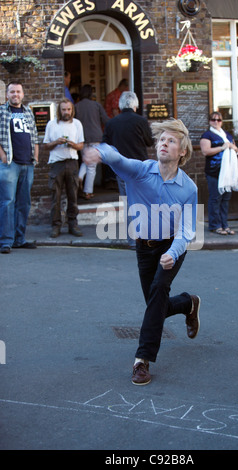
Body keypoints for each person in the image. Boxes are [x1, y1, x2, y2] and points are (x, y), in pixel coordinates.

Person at [87, 118, 200, 385]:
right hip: (143, 247)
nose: (164, 143)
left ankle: (142, 360)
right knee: (155, 303)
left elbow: (187, 230)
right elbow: (118, 159)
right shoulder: (141, 171)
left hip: (171, 246)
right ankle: (188, 303)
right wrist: (101, 152)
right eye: (161, 139)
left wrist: (173, 252)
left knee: (159, 290)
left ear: (182, 151)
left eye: (171, 140)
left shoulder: (189, 189)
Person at [102, 91, 154, 247]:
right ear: (135, 106)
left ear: (119, 106)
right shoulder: (141, 121)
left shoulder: (112, 123)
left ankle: (133, 240)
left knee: (128, 203)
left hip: (122, 170)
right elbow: (149, 142)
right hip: (141, 168)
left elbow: (105, 146)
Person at [0, 81, 39, 254]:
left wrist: (35, 157)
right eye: (12, 92)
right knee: (7, 202)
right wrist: (2, 155)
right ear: (7, 95)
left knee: (24, 203)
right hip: (10, 164)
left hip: (28, 163)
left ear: (23, 94)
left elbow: (35, 136)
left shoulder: (28, 112)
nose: (15, 94)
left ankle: (19, 239)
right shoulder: (1, 111)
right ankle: (6, 241)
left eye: (18, 91)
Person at [43, 98, 84, 238]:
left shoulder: (77, 124)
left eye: (68, 109)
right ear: (59, 111)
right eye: (63, 109)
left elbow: (81, 145)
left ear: (72, 110)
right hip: (56, 163)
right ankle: (56, 226)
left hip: (72, 162)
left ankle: (73, 224)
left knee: (73, 196)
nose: (66, 112)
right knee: (56, 197)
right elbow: (45, 146)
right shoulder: (51, 124)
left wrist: (72, 144)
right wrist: (56, 142)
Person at [200, 111, 238, 235]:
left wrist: (232, 147)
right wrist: (222, 147)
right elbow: (205, 151)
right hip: (214, 172)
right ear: (209, 121)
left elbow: (236, 148)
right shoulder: (207, 135)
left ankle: (224, 225)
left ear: (222, 121)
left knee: (225, 199)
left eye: (219, 120)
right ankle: (215, 225)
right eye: (213, 119)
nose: (216, 122)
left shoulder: (227, 135)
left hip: (228, 173)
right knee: (215, 199)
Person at [75, 84, 109, 199]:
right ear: (91, 93)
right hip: (96, 138)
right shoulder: (96, 105)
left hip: (82, 138)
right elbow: (106, 120)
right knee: (91, 166)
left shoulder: (76, 106)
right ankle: (87, 192)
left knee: (86, 161)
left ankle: (79, 177)